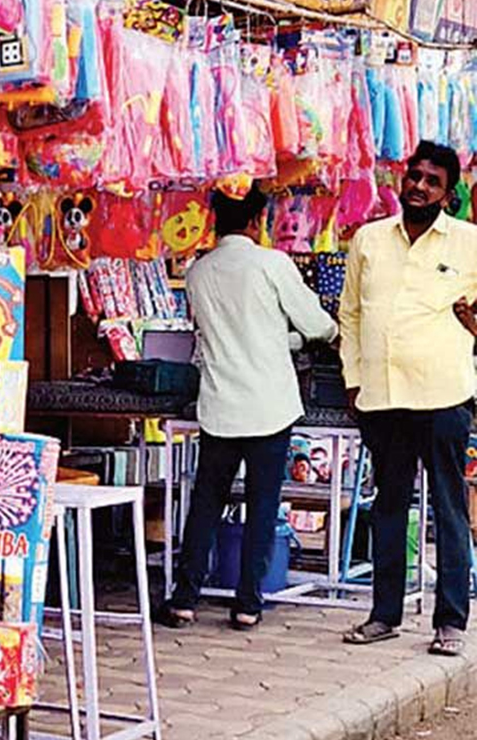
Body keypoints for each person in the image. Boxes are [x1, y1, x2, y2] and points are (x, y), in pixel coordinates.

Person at [164, 186, 338, 630]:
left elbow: (230, 332)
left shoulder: (198, 272)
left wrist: (284, 338)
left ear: (215, 219)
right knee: (263, 504)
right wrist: (326, 333)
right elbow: (316, 324)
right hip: (269, 406)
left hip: (220, 405)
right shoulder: (272, 264)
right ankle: (247, 604)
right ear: (259, 219)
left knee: (206, 502)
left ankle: (184, 598)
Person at [340, 140, 477, 656]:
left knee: (448, 508)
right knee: (389, 506)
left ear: (448, 193)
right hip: (382, 396)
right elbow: (350, 313)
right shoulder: (370, 239)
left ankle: (451, 623)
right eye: (415, 176)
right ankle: (384, 615)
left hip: (443, 396)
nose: (419, 186)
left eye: (432, 181)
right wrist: (353, 378)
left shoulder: (468, 242)